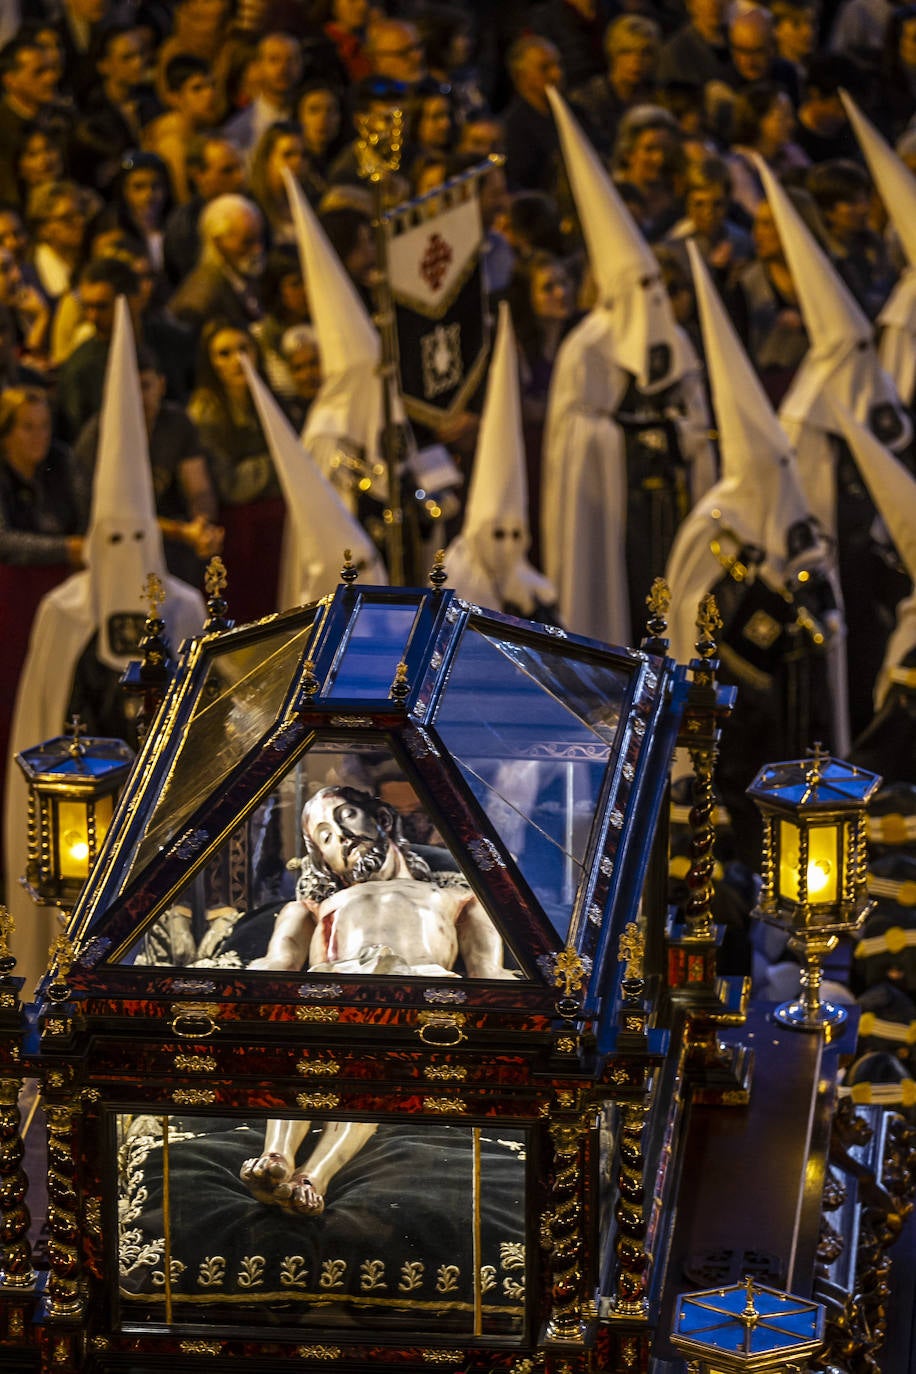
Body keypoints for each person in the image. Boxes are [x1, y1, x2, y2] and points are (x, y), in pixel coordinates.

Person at [240, 784, 515, 1214]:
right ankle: (277, 1156)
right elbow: (277, 967)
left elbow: (487, 973)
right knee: (303, 1056)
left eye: (346, 816)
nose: (341, 836)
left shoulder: (456, 897)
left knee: (373, 1075)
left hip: (416, 991)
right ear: (322, 861)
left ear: (382, 819)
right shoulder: (313, 906)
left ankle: (315, 1175)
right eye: (325, 836)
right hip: (334, 989)